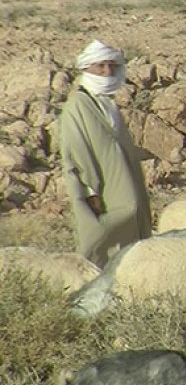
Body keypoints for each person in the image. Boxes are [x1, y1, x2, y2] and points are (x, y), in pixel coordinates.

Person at [58, 39, 152, 267]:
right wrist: (91, 192)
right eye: (100, 66)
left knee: (133, 237)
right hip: (100, 189)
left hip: (126, 183)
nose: (107, 71)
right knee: (99, 240)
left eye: (111, 65)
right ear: (86, 68)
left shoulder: (108, 103)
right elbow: (76, 152)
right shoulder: (77, 106)